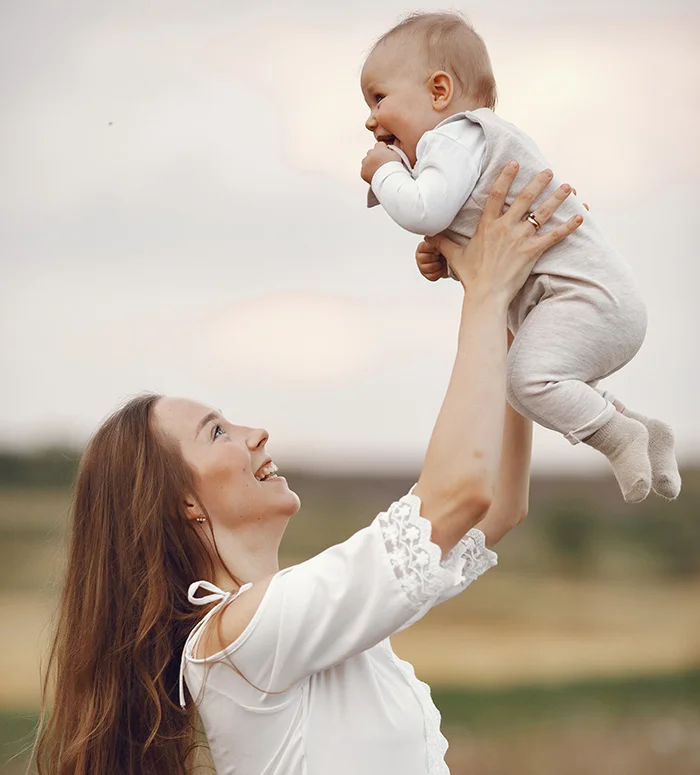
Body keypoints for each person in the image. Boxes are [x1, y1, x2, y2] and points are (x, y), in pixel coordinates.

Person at [33, 165, 581, 775]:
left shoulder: (295, 624)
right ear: (182, 504)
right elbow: (459, 495)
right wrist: (485, 290)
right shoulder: (240, 640)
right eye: (217, 432)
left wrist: (509, 315)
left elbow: (499, 503)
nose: (255, 433)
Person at [360, 11, 681, 504]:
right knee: (542, 380)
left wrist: (384, 172)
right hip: (596, 298)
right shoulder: (473, 152)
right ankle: (642, 429)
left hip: (587, 299)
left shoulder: (453, 136)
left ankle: (619, 437)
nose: (370, 118)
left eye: (378, 98)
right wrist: (444, 258)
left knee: (526, 381)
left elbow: (424, 209)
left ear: (440, 91)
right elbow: (471, 232)